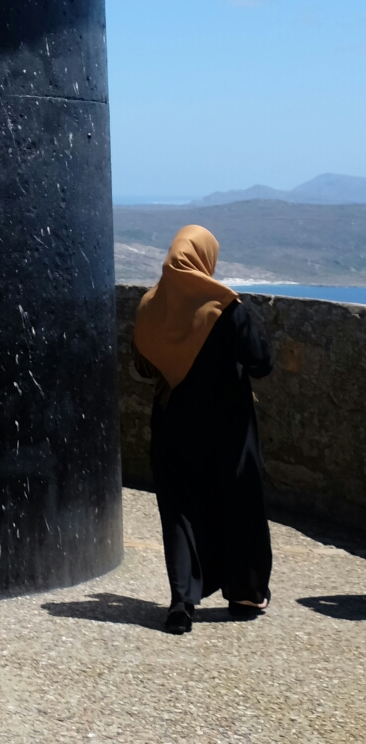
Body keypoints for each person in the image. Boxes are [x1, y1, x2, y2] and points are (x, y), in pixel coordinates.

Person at [133, 223, 273, 634]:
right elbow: (261, 362)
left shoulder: (149, 305)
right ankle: (245, 594)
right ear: (204, 259)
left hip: (173, 422)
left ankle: (182, 602)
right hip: (229, 426)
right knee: (240, 502)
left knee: (180, 510)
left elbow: (143, 366)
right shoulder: (225, 306)